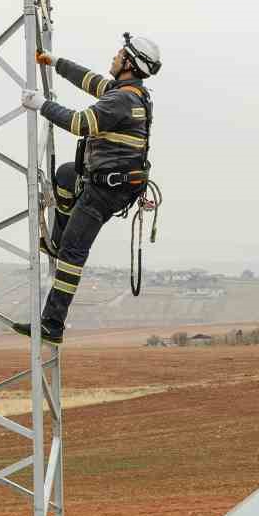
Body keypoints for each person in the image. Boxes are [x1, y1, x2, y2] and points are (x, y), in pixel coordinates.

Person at [13, 33, 161, 345]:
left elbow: (81, 123)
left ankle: (52, 324)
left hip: (106, 191)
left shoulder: (121, 100)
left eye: (120, 54)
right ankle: (56, 239)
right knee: (67, 175)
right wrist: (55, 62)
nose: (114, 57)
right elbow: (88, 80)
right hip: (111, 183)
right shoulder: (131, 93)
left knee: (73, 253)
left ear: (129, 64)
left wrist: (41, 105)